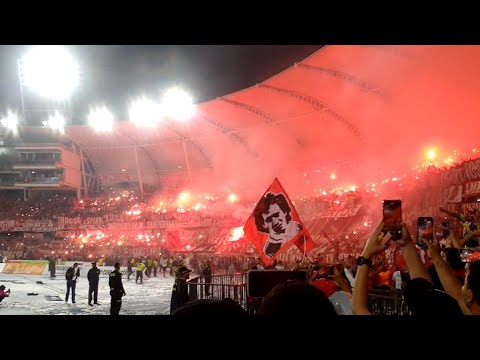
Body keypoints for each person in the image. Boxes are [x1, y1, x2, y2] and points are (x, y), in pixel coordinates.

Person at [254, 192, 302, 258]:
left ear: (285, 212)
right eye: (269, 219)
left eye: (276, 215)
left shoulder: (298, 229)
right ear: (264, 225)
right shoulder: (269, 251)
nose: (274, 221)